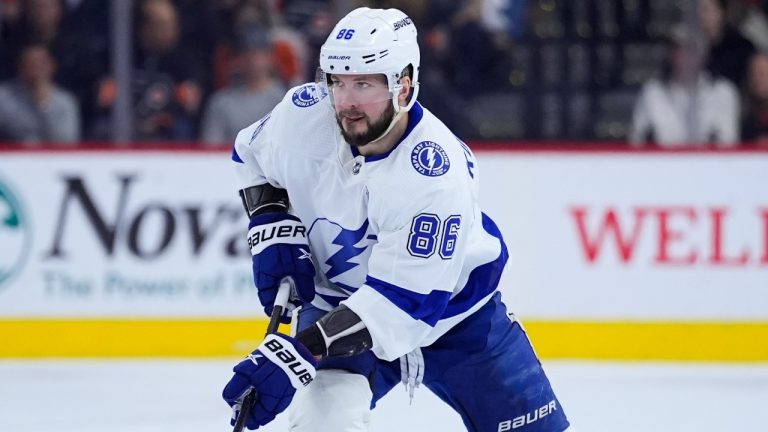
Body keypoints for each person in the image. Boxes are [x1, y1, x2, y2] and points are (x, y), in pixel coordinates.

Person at [222, 7, 571, 432]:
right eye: (338, 81)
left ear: (403, 85)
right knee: (321, 425)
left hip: (456, 318)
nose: (346, 101)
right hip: (338, 306)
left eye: (364, 84)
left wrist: (298, 351)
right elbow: (250, 156)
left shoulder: (434, 177)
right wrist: (271, 223)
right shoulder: (302, 116)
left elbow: (403, 305)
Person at [629, 24, 740, 148]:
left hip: (709, 165)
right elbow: (637, 143)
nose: (682, 56)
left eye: (689, 49)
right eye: (677, 49)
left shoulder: (723, 92)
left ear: (703, 54)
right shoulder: (652, 92)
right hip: (662, 164)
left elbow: (728, 144)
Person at [200, 26, 285, 145]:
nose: (253, 59)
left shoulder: (286, 100)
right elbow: (211, 149)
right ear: (238, 59)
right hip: (229, 162)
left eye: (258, 53)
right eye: (247, 53)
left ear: (270, 57)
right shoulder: (221, 102)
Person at [0, 43, 80, 144]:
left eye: (41, 64)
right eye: (30, 64)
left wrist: (44, 104)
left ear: (52, 66)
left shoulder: (65, 102)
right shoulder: (3, 97)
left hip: (51, 158)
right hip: (11, 157)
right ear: (20, 67)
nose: (36, 69)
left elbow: (66, 140)